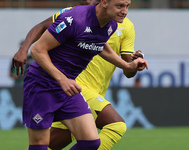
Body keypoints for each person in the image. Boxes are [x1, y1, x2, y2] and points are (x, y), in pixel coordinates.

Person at [13, 1, 148, 150]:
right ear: (104, 3)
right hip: (42, 84)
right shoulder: (75, 18)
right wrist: (62, 79)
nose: (125, 11)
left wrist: (128, 65)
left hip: (68, 88)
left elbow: (101, 46)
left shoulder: (111, 25)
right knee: (39, 146)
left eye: (127, 6)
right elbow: (38, 50)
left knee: (91, 142)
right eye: (120, 6)